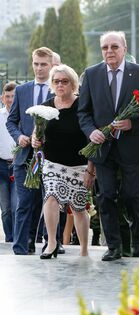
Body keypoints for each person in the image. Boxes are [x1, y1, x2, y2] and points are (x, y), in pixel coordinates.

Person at [78, 31, 139, 261]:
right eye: (105, 47)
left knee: (132, 197)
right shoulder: (91, 75)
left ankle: (138, 242)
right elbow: (83, 112)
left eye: (114, 46)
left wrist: (132, 123)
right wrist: (91, 131)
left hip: (132, 148)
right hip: (103, 150)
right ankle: (113, 247)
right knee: (106, 197)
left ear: (124, 48)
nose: (109, 51)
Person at [31, 65, 93, 258]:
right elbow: (38, 131)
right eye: (56, 81)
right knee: (50, 197)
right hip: (52, 163)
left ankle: (83, 250)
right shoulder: (46, 105)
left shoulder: (83, 105)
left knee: (78, 208)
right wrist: (34, 139)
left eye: (64, 81)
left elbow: (91, 138)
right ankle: (51, 243)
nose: (60, 85)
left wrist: (91, 169)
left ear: (73, 84)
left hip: (78, 165)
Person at [6, 47, 54, 255]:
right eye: (36, 64)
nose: (39, 68)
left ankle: (50, 243)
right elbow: (11, 121)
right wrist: (20, 136)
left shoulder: (58, 89)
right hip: (25, 157)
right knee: (25, 203)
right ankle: (20, 247)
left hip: (51, 157)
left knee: (48, 202)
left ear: (51, 65)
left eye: (43, 64)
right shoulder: (22, 90)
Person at [0, 82, 17, 243]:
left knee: (16, 205)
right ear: (2, 98)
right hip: (1, 166)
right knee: (5, 208)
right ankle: (9, 238)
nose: (10, 100)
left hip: (18, 165)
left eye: (13, 96)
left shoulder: (22, 116)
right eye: (7, 96)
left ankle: (17, 237)